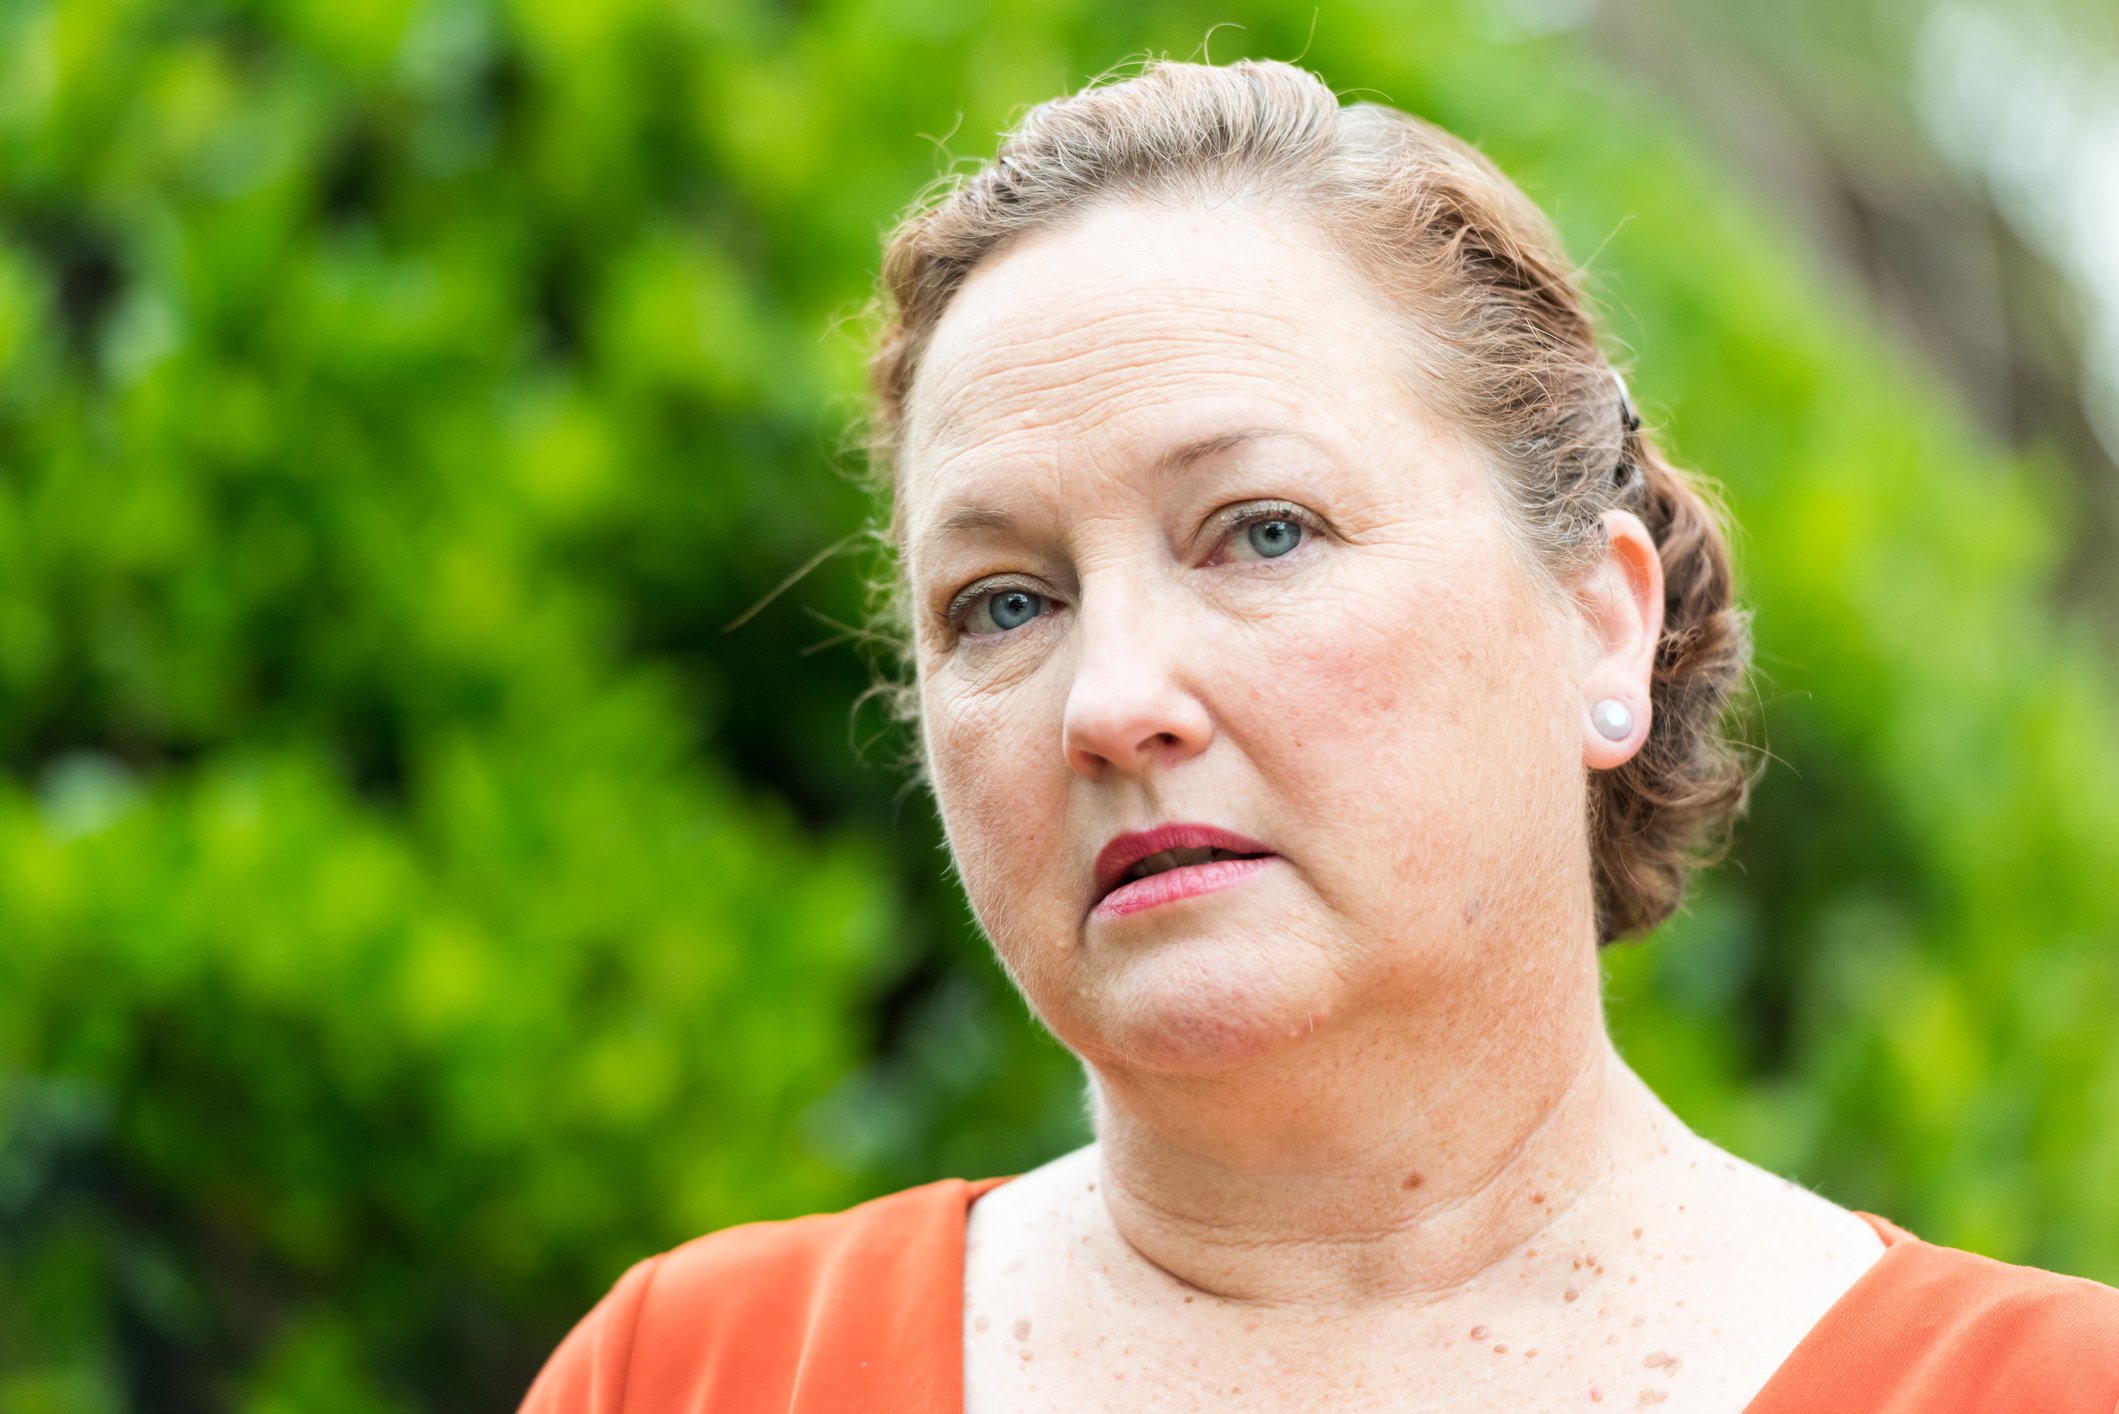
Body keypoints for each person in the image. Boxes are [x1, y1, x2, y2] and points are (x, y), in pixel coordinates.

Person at [519, 59, 2119, 1412]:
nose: (1112, 700)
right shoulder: (694, 1372)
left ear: (1599, 620)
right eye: (1004, 603)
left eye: (1262, 530)